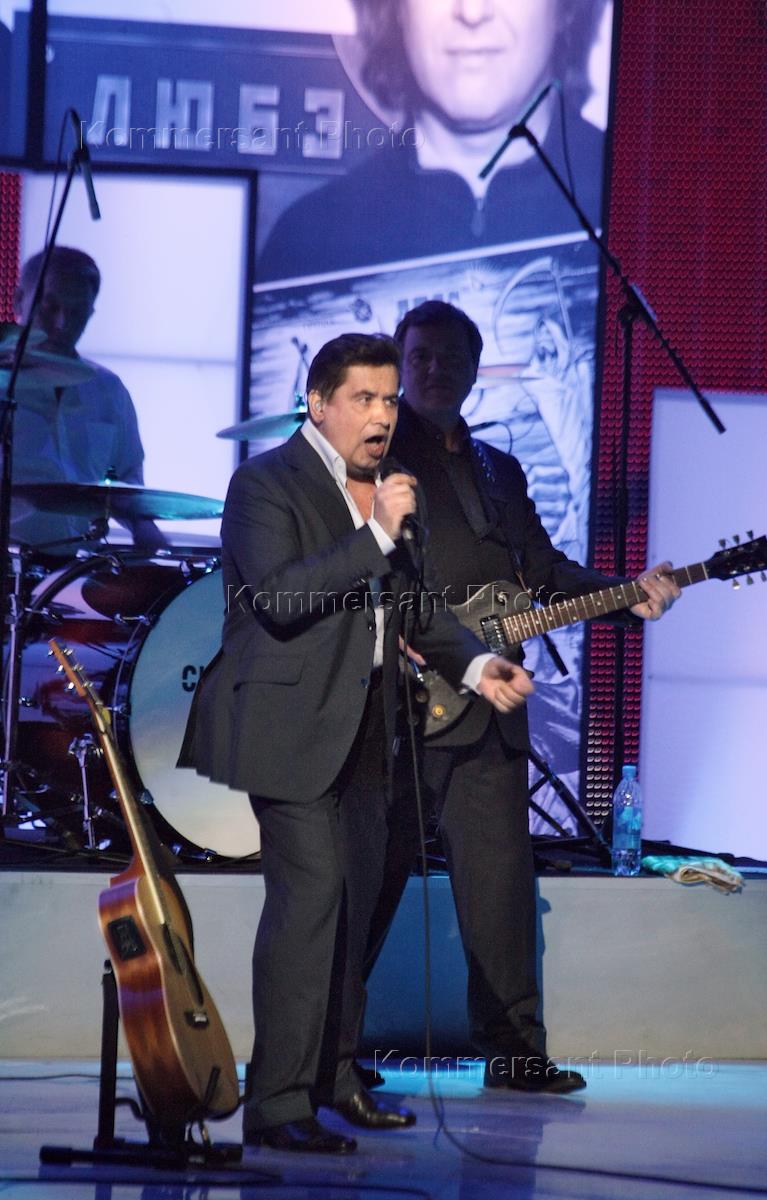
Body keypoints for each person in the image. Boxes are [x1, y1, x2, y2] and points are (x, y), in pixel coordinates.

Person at [178, 332, 532, 1152]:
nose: (382, 415)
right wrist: (372, 535)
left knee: (354, 909)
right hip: (292, 728)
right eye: (364, 399)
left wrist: (476, 666)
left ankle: (335, 1082)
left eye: (389, 399)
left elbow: (415, 608)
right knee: (310, 902)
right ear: (318, 403)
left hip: (374, 726)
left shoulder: (391, 490)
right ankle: (277, 1104)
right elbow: (279, 598)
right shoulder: (265, 483)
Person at [378, 300, 680, 1093]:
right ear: (400, 366)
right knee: (368, 881)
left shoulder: (498, 471)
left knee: (502, 890)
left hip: (491, 708)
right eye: (421, 356)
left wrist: (629, 594)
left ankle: (515, 1054)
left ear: (476, 370)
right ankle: (327, 1058)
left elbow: (544, 574)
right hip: (400, 704)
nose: (435, 369)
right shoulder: (375, 460)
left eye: (451, 357)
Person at [257, 0, 608, 279]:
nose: (472, 12)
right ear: (396, 9)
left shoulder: (630, 208)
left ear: (563, 7)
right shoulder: (310, 240)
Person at [10, 246, 166, 553]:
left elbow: (125, 480)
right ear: (18, 300)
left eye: (77, 311)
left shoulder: (109, 390)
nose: (62, 323)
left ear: (91, 313)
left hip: (81, 564)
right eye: (49, 307)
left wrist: (144, 527)